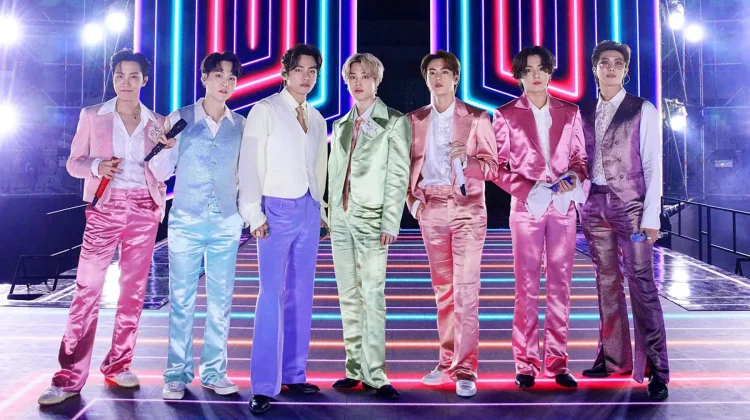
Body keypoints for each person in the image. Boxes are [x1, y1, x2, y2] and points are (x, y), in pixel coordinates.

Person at [38, 49, 170, 406]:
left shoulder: (157, 122)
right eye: (119, 75)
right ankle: (68, 377)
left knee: (133, 293)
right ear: (113, 78)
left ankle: (119, 363)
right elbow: (73, 163)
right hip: (105, 208)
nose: (125, 82)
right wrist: (97, 166)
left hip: (144, 209)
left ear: (144, 80)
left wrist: (168, 152)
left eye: (133, 76)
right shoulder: (93, 116)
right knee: (87, 290)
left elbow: (163, 170)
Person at [238, 44, 329, 415]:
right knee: (271, 294)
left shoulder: (318, 118)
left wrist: (321, 209)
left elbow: (318, 167)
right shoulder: (265, 110)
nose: (306, 77)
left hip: (309, 209)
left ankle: (294, 373)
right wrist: (253, 213)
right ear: (285, 72)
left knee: (302, 295)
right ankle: (263, 385)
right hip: (274, 209)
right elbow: (249, 164)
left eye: (313, 71)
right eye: (300, 70)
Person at [492, 46, 587, 390]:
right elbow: (497, 167)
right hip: (526, 210)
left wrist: (574, 177)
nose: (535, 75)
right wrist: (529, 188)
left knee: (561, 287)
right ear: (519, 75)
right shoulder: (505, 115)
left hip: (563, 208)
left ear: (550, 72)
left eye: (541, 68)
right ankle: (526, 363)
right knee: (526, 288)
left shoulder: (570, 112)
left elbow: (580, 159)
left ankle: (558, 362)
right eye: (528, 69)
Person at [578, 40, 669, 401]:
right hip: (593, 205)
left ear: (626, 70)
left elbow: (653, 164)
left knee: (642, 284)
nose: (611, 68)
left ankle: (658, 369)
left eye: (618, 63)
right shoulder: (583, 111)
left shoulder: (642, 109)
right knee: (606, 283)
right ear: (595, 68)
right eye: (605, 62)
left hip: (631, 208)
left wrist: (651, 216)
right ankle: (613, 359)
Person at [406, 50, 497, 398]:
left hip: (467, 209)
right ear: (425, 78)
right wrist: (414, 203)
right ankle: (446, 361)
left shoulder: (476, 117)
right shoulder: (414, 120)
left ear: (456, 78)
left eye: (445, 72)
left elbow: (492, 167)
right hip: (430, 206)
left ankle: (466, 368)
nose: (438, 77)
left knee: (466, 290)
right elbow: (405, 168)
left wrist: (469, 160)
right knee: (443, 291)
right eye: (432, 72)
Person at [159, 51, 246, 400]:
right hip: (186, 218)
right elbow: (160, 170)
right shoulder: (179, 118)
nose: (225, 83)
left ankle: (214, 372)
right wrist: (163, 146)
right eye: (218, 75)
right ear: (204, 78)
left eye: (231, 78)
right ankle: (176, 375)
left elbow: (245, 172)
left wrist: (244, 213)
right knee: (181, 299)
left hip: (226, 220)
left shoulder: (240, 125)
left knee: (220, 301)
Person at [328, 53, 411, 400]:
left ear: (377, 80)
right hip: (340, 219)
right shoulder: (341, 124)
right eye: (352, 76)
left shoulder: (394, 121)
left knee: (372, 294)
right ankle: (354, 367)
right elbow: (334, 174)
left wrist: (391, 220)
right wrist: (329, 215)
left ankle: (375, 373)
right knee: (348, 295)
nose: (358, 82)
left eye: (365, 76)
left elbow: (398, 174)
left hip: (373, 218)